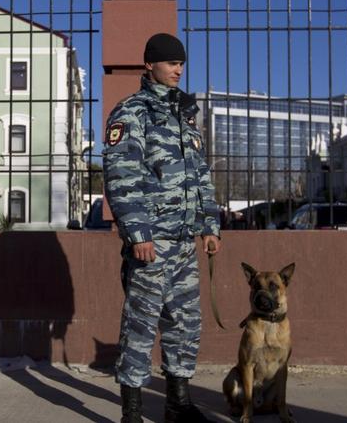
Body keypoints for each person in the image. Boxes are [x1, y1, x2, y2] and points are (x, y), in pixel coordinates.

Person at [102, 33, 221, 423]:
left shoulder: (184, 114)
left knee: (185, 324)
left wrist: (209, 225)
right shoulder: (131, 112)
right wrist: (139, 234)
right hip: (151, 243)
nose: (178, 69)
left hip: (185, 242)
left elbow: (200, 173)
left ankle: (178, 404)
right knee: (140, 325)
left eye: (181, 63)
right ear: (149, 65)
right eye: (170, 62)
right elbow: (122, 177)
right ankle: (132, 412)